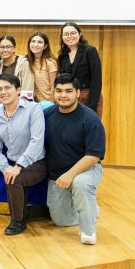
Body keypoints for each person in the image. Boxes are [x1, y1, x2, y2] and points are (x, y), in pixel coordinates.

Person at [44, 74, 106, 245]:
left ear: (78, 93)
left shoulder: (91, 119)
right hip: (57, 175)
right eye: (59, 91)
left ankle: (88, 232)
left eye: (68, 91)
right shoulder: (47, 115)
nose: (63, 95)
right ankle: (90, 209)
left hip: (87, 170)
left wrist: (70, 175)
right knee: (60, 220)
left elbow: (94, 155)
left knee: (80, 183)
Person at [0, 74, 46, 235]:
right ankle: (32, 212)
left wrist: (19, 166)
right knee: (11, 175)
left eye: (7, 88)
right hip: (12, 162)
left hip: (37, 162)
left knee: (14, 178)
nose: (3, 92)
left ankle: (18, 222)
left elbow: (37, 141)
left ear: (18, 90)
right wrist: (6, 167)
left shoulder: (33, 109)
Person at [57, 22, 102, 116]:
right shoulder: (62, 55)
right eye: (66, 34)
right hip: (70, 98)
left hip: (88, 97)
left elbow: (96, 79)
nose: (70, 36)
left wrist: (92, 106)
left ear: (80, 34)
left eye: (73, 33)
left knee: (89, 124)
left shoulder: (90, 51)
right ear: (62, 37)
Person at [0, 35, 34, 102]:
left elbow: (28, 88)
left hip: (20, 104)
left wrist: (23, 105)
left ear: (14, 48)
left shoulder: (24, 63)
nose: (5, 50)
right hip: (2, 104)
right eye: (2, 47)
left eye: (8, 47)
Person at [27, 31, 58, 103]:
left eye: (40, 42)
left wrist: (50, 104)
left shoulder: (50, 62)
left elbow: (54, 87)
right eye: (33, 41)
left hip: (47, 103)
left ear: (45, 46)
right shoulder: (26, 61)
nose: (35, 44)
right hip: (31, 103)